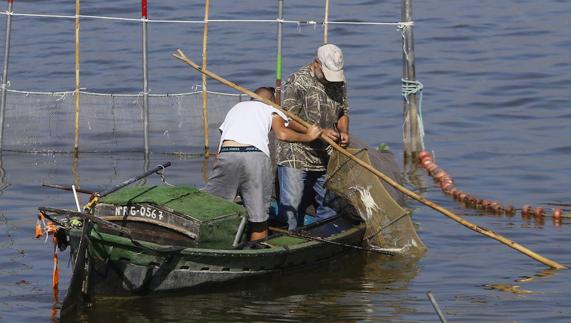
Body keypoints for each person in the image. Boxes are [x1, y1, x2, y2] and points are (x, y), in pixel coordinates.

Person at [204, 87, 322, 241]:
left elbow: (222, 144)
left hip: (228, 154)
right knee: (258, 218)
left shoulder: (236, 108)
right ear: (272, 100)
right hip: (255, 157)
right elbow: (282, 134)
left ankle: (212, 245)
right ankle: (256, 249)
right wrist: (309, 136)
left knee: (213, 208)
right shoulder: (271, 108)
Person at [276, 44, 349, 231]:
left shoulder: (339, 83)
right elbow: (288, 118)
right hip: (296, 154)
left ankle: (325, 239)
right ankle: (290, 242)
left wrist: (344, 132)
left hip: (325, 156)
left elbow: (342, 113)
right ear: (316, 63)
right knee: (291, 207)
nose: (329, 79)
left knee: (330, 206)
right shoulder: (297, 81)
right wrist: (321, 132)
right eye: (326, 74)